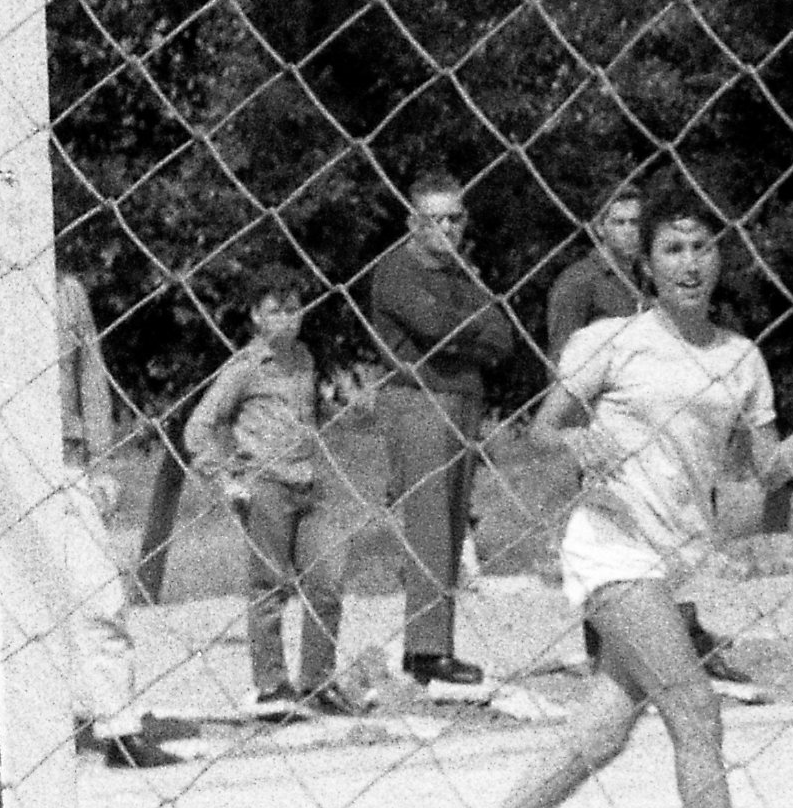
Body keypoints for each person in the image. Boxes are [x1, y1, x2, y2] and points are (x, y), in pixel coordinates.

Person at [421, 203, 793, 808]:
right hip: (611, 546)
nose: (689, 263)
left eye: (701, 247)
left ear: (720, 258)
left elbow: (765, 474)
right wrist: (579, 442)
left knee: (601, 732)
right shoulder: (612, 341)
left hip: (672, 558)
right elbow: (543, 426)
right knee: (695, 708)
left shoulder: (740, 357)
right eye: (672, 249)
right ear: (647, 265)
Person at [358, 168, 517, 692]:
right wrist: (467, 333)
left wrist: (461, 337)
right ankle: (426, 651)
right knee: (429, 522)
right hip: (418, 402)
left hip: (462, 399)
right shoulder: (396, 271)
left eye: (456, 217)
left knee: (452, 524)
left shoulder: (464, 273)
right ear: (413, 222)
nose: (448, 228)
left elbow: (502, 337)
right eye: (436, 219)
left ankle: (437, 644)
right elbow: (435, 330)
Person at [181, 270, 354, 712]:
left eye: (294, 308)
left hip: (310, 482)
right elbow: (199, 427)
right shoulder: (244, 368)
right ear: (256, 316)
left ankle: (318, 681)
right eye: (275, 310)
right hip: (266, 485)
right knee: (269, 587)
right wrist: (224, 476)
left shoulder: (307, 361)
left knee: (327, 584)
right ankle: (272, 685)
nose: (286, 319)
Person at [56, 264, 178, 772]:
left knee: (98, 594)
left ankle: (119, 728)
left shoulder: (64, 290)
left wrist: (101, 464)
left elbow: (90, 376)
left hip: (61, 457)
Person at [538, 184, 648, 369]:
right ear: (600, 228)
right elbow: (560, 355)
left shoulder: (646, 278)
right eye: (619, 222)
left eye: (635, 222)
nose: (629, 231)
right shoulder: (579, 280)